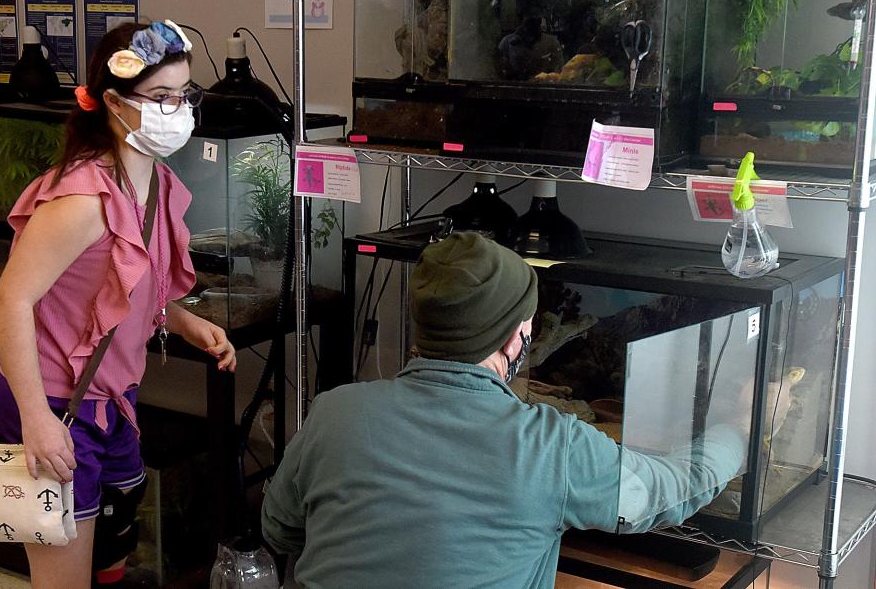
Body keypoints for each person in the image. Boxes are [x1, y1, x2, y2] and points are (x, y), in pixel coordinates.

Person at [261, 232, 763, 588]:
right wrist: (738, 427)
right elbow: (668, 490)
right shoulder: (554, 447)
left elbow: (279, 528)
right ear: (515, 338)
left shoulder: (333, 413)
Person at [0, 20, 236, 589]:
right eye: (158, 98)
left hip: (112, 402)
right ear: (111, 102)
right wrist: (36, 420)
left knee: (112, 566)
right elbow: (10, 302)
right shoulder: (81, 199)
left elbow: (123, 289)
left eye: (183, 95)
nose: (175, 110)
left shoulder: (159, 182)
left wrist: (187, 322)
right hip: (53, 402)